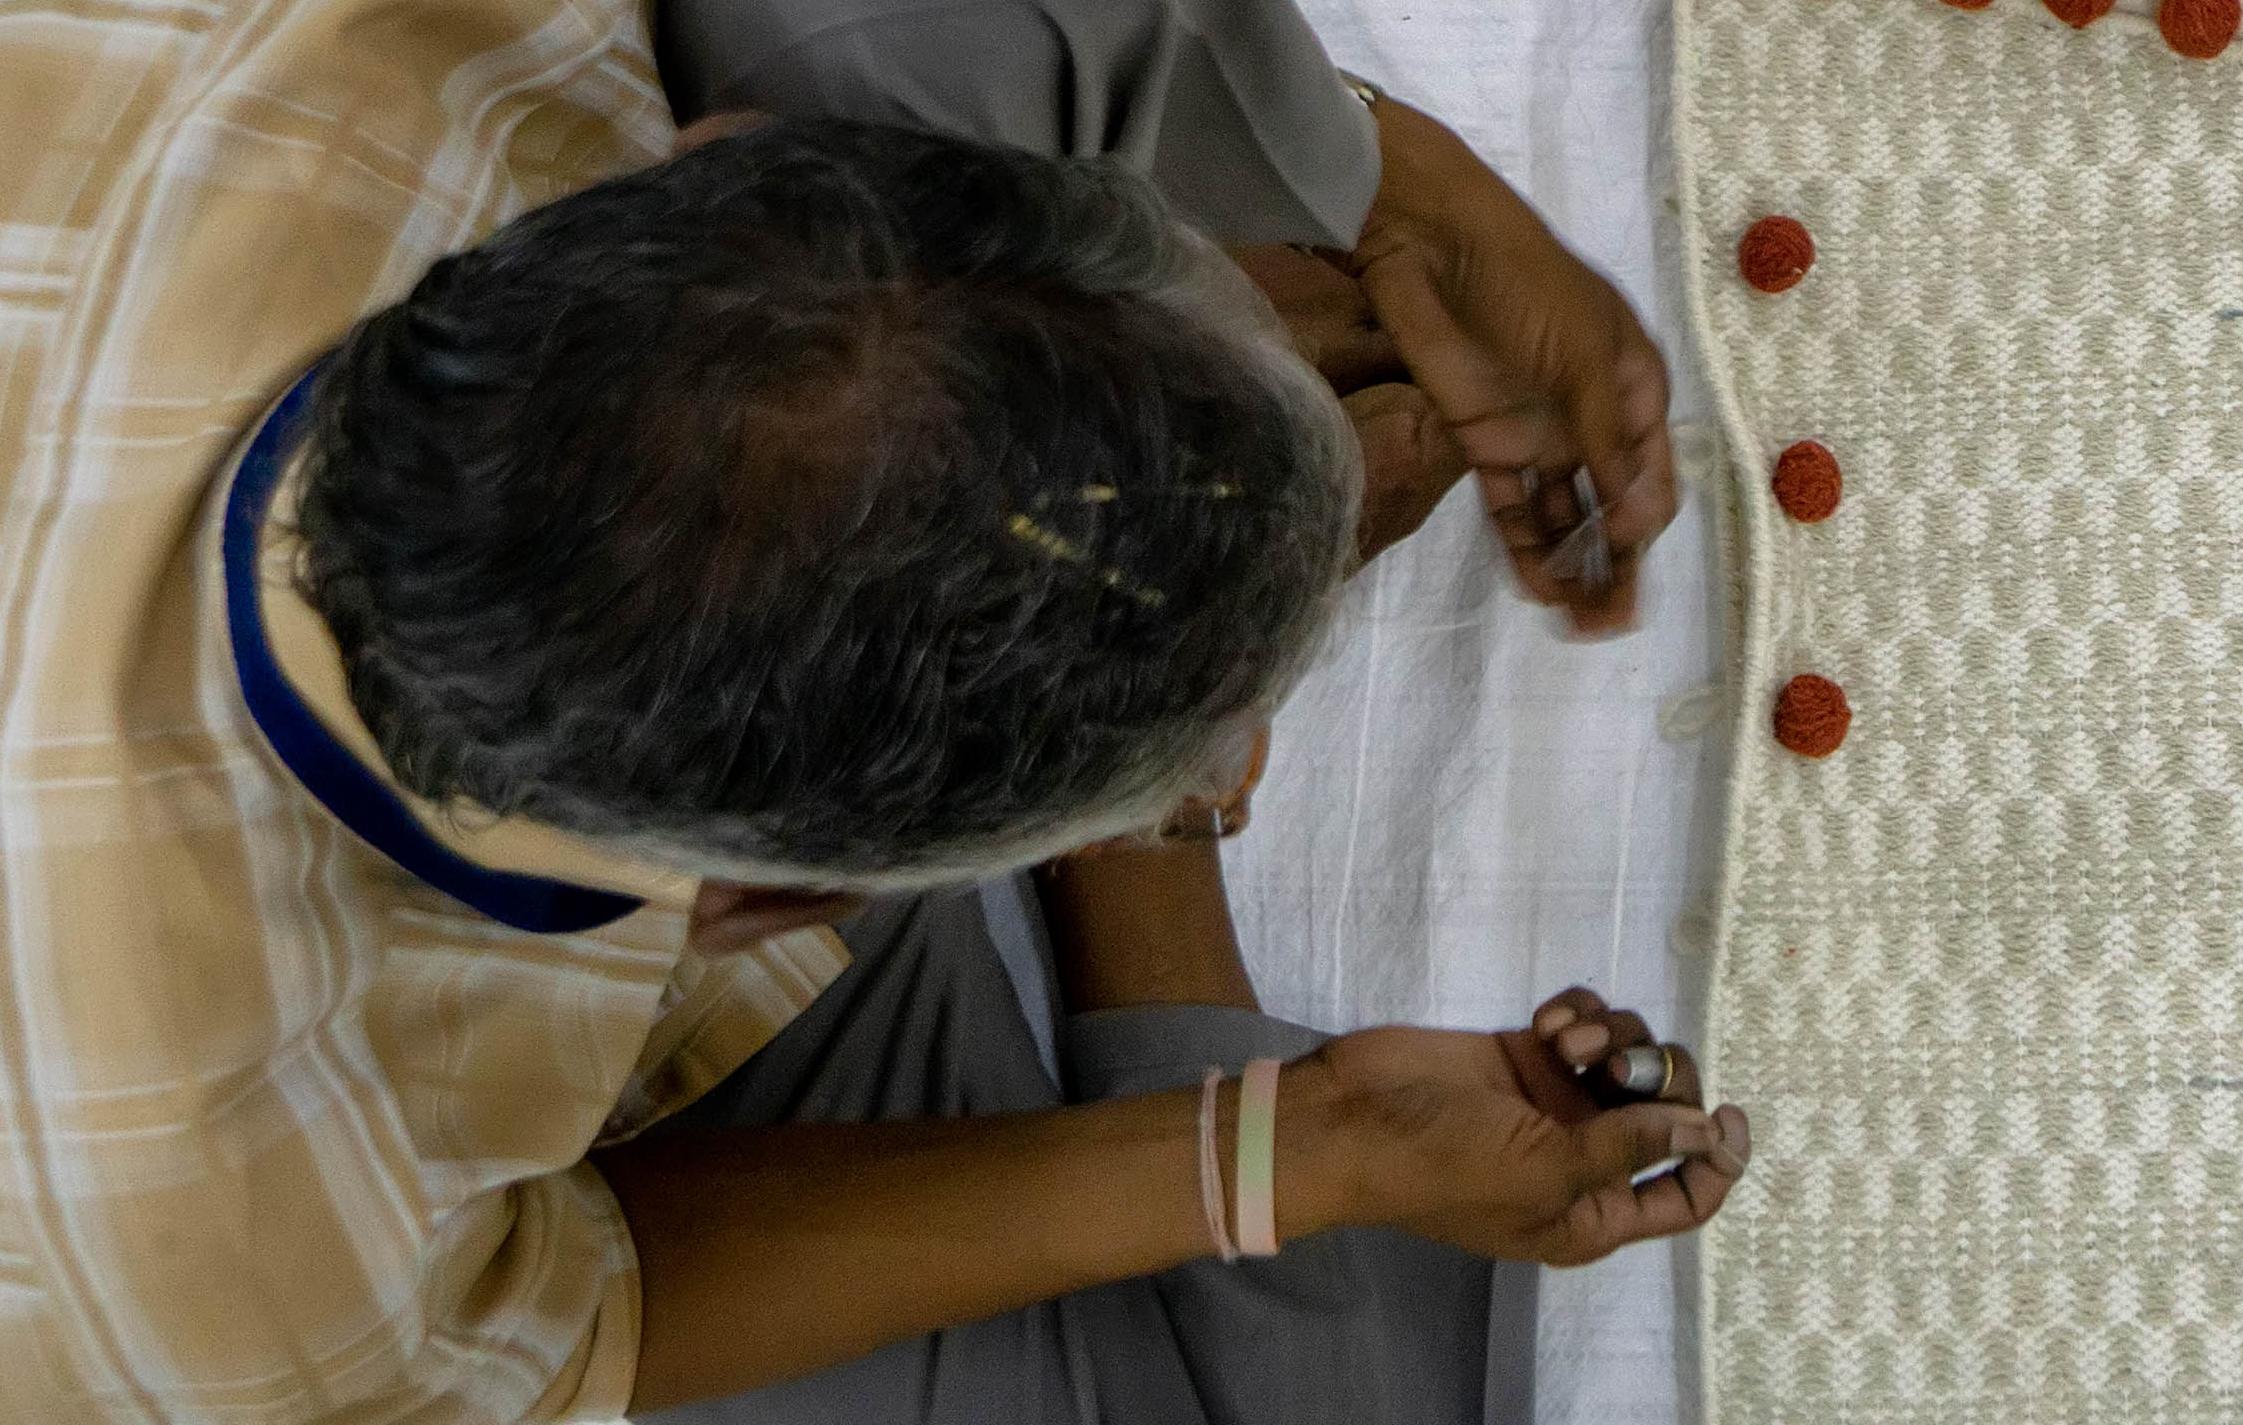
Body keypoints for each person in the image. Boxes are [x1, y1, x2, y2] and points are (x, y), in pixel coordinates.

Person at [0, 0, 1740, 1421]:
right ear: (764, 909)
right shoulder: (212, 1248)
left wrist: (1398, 192)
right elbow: (586, 1313)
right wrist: (1319, 1140)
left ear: (722, 164)